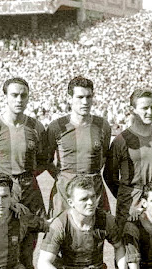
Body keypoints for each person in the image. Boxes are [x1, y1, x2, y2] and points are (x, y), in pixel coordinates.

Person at [0, 77, 48, 269]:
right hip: (3, 194)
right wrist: (4, 190)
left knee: (28, 254)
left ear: (28, 98)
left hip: (30, 193)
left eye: (23, 95)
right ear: (5, 97)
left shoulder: (36, 127)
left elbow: (44, 160)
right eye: (14, 95)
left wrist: (25, 180)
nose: (19, 99)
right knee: (7, 255)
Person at [45, 76, 111, 219]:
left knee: (95, 235)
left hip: (94, 188)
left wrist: (90, 175)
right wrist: (63, 177)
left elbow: (104, 156)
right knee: (61, 233)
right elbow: (46, 160)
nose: (85, 102)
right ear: (70, 98)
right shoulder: (56, 127)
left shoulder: (102, 125)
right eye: (80, 97)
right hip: (65, 190)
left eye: (89, 97)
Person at [104, 88, 152, 225]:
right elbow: (109, 176)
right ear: (133, 110)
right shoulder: (121, 140)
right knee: (128, 244)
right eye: (145, 108)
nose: (150, 112)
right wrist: (126, 199)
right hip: (129, 204)